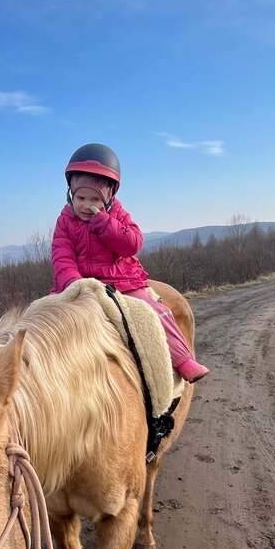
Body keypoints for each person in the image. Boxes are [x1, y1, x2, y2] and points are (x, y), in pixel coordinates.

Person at [51, 144, 210, 383]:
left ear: (108, 199)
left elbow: (132, 243)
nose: (86, 205)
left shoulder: (117, 216)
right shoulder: (65, 221)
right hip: (80, 283)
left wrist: (105, 225)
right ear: (70, 195)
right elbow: (61, 256)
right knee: (43, 316)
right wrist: (73, 283)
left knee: (152, 311)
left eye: (94, 199)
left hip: (119, 280)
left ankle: (183, 359)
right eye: (81, 198)